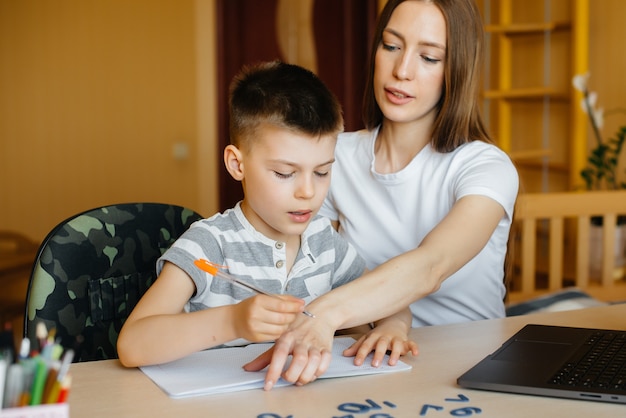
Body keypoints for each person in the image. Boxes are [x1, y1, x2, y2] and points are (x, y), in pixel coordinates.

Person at [243, 0, 519, 390]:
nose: (401, 71)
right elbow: (305, 264)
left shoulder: (485, 167)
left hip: (471, 365)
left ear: (457, 69)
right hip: (364, 361)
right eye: (391, 46)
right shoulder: (332, 158)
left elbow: (432, 266)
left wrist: (322, 316)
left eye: (428, 57)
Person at [117, 60, 417, 368]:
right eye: (285, 173)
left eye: (322, 172)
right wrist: (232, 321)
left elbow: (389, 297)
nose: (308, 192)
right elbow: (132, 344)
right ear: (237, 164)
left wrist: (392, 327)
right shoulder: (209, 245)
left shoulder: (324, 242)